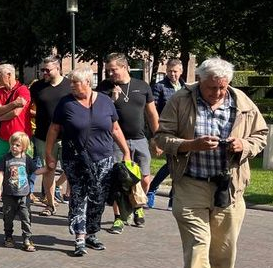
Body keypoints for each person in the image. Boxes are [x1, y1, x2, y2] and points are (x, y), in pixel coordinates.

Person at [153, 57, 267, 268]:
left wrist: (244, 145)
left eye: (222, 87)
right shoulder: (181, 99)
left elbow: (261, 135)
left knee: (224, 248)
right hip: (191, 184)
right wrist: (190, 144)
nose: (217, 92)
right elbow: (161, 136)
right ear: (199, 81)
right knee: (197, 245)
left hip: (229, 186)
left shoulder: (242, 102)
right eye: (211, 87)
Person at [45, 68, 132, 257]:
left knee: (98, 197)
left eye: (75, 82)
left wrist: (125, 152)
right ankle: (79, 237)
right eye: (71, 82)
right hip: (75, 159)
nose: (71, 86)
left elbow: (115, 129)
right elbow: (53, 129)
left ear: (87, 82)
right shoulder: (66, 103)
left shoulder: (105, 101)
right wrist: (49, 154)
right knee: (79, 195)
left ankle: (92, 232)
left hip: (104, 158)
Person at [96, 53, 158, 233]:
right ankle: (118, 218)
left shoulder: (142, 86)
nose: (110, 73)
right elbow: (99, 113)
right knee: (118, 181)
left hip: (139, 139)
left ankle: (137, 206)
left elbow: (152, 114)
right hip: (114, 141)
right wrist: (111, 100)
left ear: (125, 67)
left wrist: (158, 137)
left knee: (145, 178)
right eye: (108, 70)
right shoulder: (104, 88)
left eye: (113, 70)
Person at [29, 56, 72, 216]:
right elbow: (27, 106)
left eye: (48, 70)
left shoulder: (69, 85)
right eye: (42, 70)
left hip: (68, 135)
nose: (44, 73)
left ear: (58, 68)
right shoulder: (37, 87)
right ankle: (50, 203)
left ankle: (71, 202)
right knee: (49, 170)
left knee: (72, 169)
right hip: (44, 136)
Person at [0, 132, 47, 252]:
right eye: (12, 144)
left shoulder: (27, 159)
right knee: (8, 217)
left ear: (24, 147)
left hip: (24, 194)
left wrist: (47, 168)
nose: (14, 147)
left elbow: (35, 171)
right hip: (9, 194)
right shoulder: (6, 158)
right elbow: (1, 173)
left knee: (26, 217)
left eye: (17, 145)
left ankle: (27, 239)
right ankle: (8, 236)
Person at [148, 58, 187, 208]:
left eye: (175, 71)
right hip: (167, 130)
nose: (173, 74)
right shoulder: (159, 87)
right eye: (170, 71)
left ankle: (173, 197)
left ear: (181, 71)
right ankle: (153, 188)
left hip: (182, 130)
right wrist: (156, 135)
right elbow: (153, 111)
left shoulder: (185, 88)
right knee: (172, 163)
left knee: (179, 164)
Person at [0, 64, 31, 165]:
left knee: (20, 168)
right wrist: (14, 103)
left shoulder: (23, 90)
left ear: (8, 75)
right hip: (3, 136)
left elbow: (16, 113)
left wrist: (0, 118)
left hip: (20, 137)